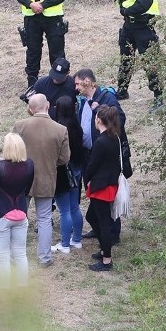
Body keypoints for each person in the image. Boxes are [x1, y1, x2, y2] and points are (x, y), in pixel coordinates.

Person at [11, 94, 70, 268]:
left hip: (21, 179)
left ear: (30, 109)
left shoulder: (20, 126)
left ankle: (16, 256)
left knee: (18, 217)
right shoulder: (60, 129)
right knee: (44, 219)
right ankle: (44, 258)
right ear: (48, 105)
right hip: (47, 179)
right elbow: (65, 159)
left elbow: (10, 152)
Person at [73, 68, 128, 243]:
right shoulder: (83, 101)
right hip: (88, 153)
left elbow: (120, 119)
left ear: (87, 81)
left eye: (77, 83)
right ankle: (100, 228)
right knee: (94, 192)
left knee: (107, 196)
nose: (75, 87)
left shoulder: (106, 98)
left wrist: (100, 112)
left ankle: (112, 233)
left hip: (104, 156)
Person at [102, 0, 164, 112]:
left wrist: (126, 11)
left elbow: (144, 3)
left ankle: (158, 96)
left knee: (149, 61)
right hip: (129, 26)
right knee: (126, 59)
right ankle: (122, 91)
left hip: (144, 26)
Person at [0, 133, 35, 288]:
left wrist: (0, 201)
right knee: (21, 253)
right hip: (21, 212)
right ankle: (22, 287)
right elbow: (27, 189)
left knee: (3, 257)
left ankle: (4, 290)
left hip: (2, 213)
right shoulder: (29, 165)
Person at [83, 106, 123, 271]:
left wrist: (87, 179)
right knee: (92, 217)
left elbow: (93, 165)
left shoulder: (101, 141)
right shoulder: (114, 137)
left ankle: (107, 259)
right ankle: (104, 249)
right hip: (108, 184)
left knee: (103, 222)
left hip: (101, 186)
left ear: (99, 119)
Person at [50, 96, 85, 254]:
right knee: (75, 207)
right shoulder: (77, 127)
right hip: (77, 169)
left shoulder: (59, 130)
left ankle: (64, 244)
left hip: (64, 172)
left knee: (64, 210)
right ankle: (76, 240)